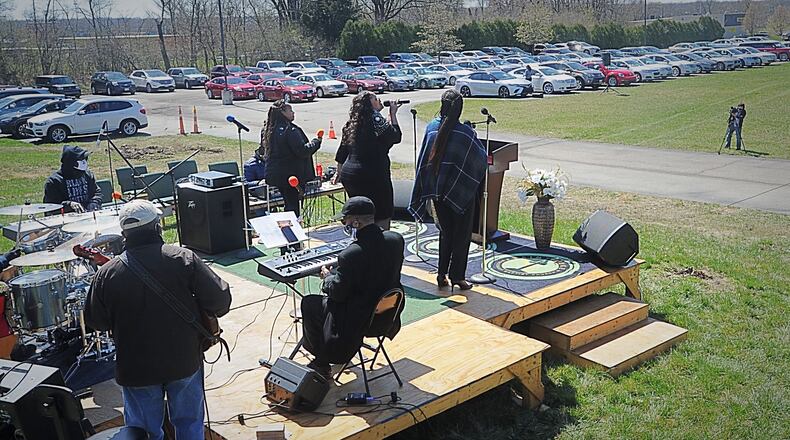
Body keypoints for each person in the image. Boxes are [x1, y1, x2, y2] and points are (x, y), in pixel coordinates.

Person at [85, 200, 232, 440]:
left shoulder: (106, 273)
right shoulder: (183, 258)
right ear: (157, 226)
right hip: (184, 360)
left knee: (143, 433)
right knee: (189, 427)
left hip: (136, 368)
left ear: (124, 234)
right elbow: (220, 302)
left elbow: (96, 322)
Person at [300, 196, 405, 379]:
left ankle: (322, 360)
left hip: (357, 319)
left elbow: (338, 294)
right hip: (385, 315)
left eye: (345, 220)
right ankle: (325, 357)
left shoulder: (351, 255)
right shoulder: (396, 240)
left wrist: (328, 278)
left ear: (356, 222)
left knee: (309, 303)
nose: (345, 224)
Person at [408, 89, 488, 291]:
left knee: (445, 233)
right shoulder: (465, 133)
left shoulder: (431, 127)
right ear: (459, 109)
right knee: (461, 235)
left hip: (437, 191)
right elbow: (481, 160)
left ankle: (441, 274)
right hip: (460, 193)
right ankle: (458, 277)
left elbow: (424, 160)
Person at [333, 92, 403, 230]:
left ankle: (359, 235)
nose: (379, 100)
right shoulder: (376, 119)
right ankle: (380, 239)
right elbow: (395, 136)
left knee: (359, 211)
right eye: (376, 99)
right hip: (372, 174)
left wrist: (338, 170)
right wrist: (393, 114)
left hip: (351, 175)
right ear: (370, 104)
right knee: (382, 211)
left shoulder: (351, 123)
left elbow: (342, 150)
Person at [262, 100, 321, 218]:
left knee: (289, 203)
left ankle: (289, 224)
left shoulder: (268, 129)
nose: (293, 113)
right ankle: (292, 227)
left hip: (276, 175)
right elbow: (302, 151)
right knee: (293, 207)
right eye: (290, 110)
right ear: (282, 112)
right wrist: (316, 142)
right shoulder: (290, 130)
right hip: (291, 176)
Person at [43, 145, 102, 213]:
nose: (85, 162)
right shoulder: (54, 181)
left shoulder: (87, 175)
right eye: (81, 160)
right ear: (72, 163)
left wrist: (94, 202)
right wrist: (69, 205)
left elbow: (96, 192)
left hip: (89, 214)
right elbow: (50, 206)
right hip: (67, 217)